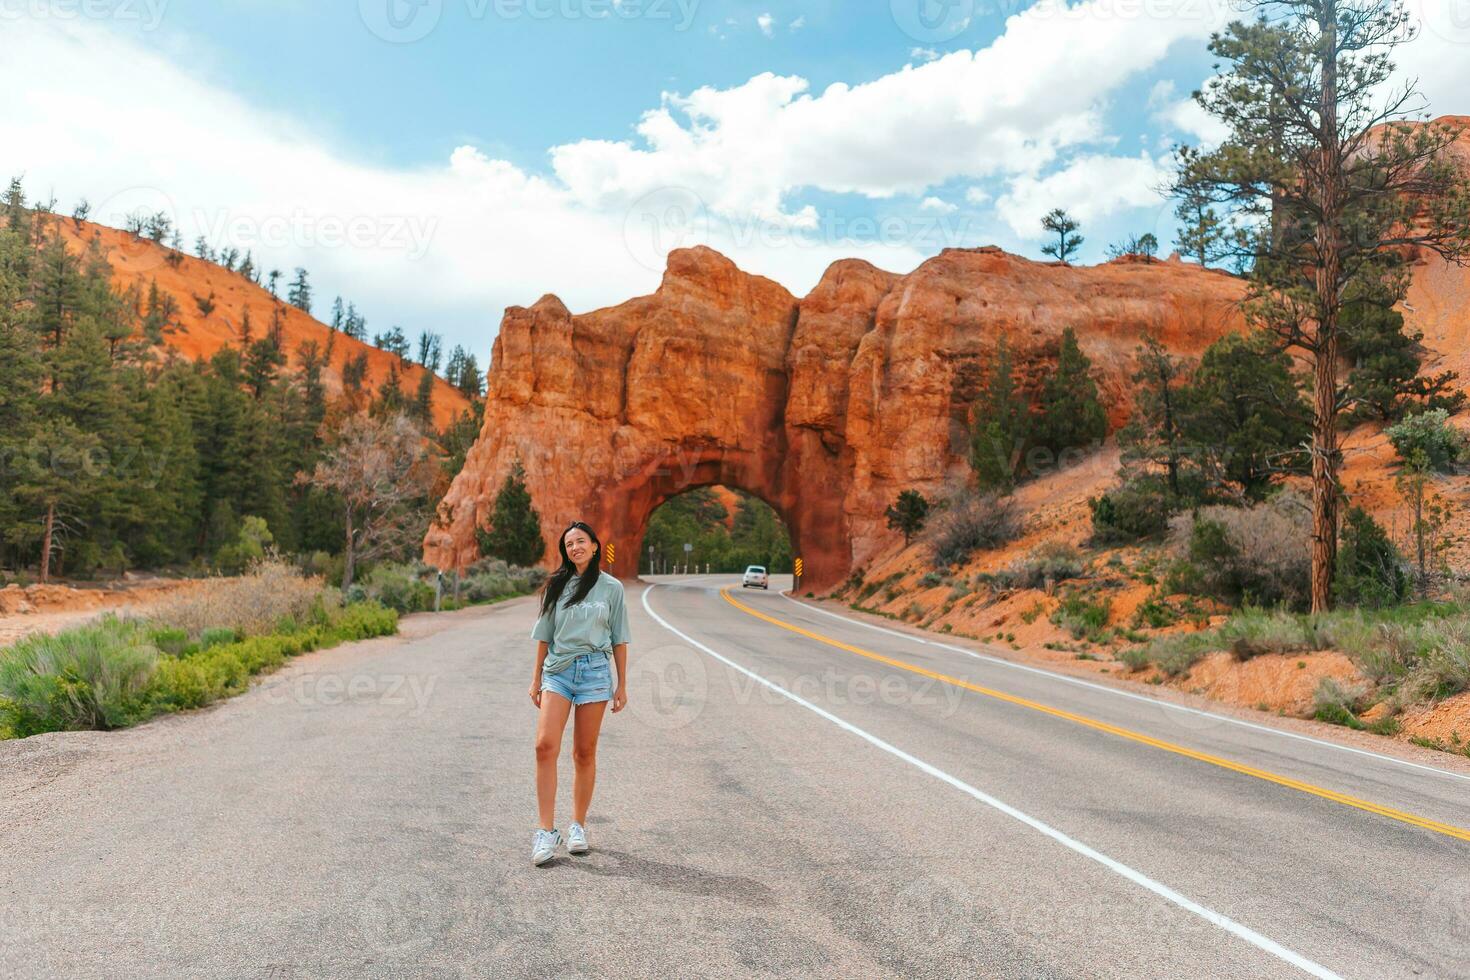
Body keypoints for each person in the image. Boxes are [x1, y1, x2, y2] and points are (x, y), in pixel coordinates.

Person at [527, 520, 630, 865]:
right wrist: (536, 677)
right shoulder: (556, 585)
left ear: (596, 546)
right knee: (544, 745)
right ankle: (545, 830)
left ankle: (577, 827)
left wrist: (622, 684)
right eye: (569, 544)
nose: (575, 548)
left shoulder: (611, 588)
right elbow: (544, 634)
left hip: (595, 673)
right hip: (558, 672)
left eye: (581, 542)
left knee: (583, 752)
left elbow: (619, 637)